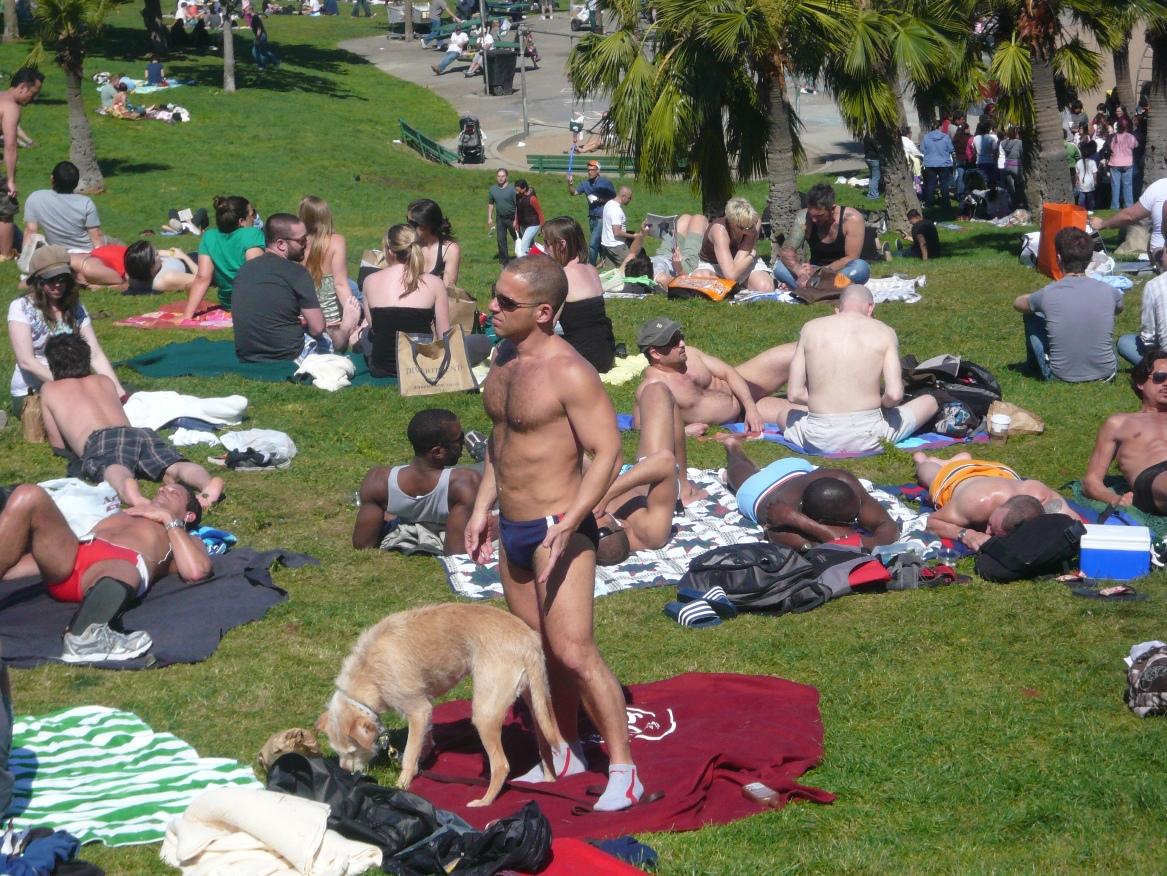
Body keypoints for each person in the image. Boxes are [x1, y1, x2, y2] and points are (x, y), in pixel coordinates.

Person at [464, 254, 641, 812]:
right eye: (493, 295)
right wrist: (482, 509)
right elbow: (501, 442)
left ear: (543, 312)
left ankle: (624, 771)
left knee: (573, 651)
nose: (491, 308)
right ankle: (562, 751)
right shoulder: (503, 357)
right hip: (513, 527)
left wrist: (571, 521)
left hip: (555, 527)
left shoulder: (569, 371)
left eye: (505, 303)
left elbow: (608, 451)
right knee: (537, 651)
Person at [0, 478, 211, 662]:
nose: (163, 490)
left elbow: (195, 571)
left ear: (189, 515)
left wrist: (168, 519)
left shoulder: (185, 538)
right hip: (73, 556)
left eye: (174, 493)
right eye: (163, 488)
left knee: (122, 564)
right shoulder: (125, 513)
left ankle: (85, 637)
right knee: (29, 494)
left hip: (113, 572)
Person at [40, 334, 225, 510]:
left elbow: (58, 444)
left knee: (113, 467)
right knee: (173, 466)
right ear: (87, 359)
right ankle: (207, 483)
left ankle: (127, 489)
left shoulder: (50, 389)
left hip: (100, 439)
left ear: (51, 365)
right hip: (137, 433)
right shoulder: (104, 380)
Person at [783, 285, 939, 454]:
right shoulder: (885, 332)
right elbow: (894, 395)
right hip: (870, 435)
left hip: (819, 437)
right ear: (871, 307)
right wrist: (880, 405)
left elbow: (794, 394)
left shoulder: (810, 328)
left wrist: (824, 404)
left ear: (838, 308)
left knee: (785, 415)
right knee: (929, 402)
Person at [592, 382, 704, 566]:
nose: (593, 515)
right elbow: (665, 461)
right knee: (657, 391)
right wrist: (608, 495)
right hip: (651, 475)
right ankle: (683, 487)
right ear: (620, 525)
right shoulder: (651, 533)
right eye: (597, 518)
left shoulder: (600, 531)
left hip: (613, 479)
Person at [719, 434, 898, 549]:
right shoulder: (782, 520)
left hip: (795, 468)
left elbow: (889, 529)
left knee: (744, 473)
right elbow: (845, 547)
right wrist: (795, 520)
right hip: (760, 491)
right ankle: (732, 449)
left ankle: (733, 449)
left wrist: (802, 522)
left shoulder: (844, 480)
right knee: (740, 478)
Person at [7, 245, 125, 415]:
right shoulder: (21, 307)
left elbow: (95, 354)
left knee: (109, 404)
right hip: (34, 392)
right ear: (38, 282)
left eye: (62, 279)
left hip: (76, 383)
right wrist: (72, 387)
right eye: (50, 280)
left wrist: (120, 394)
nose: (57, 285)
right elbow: (27, 361)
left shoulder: (74, 307)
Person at [635, 315, 798, 435]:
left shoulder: (691, 354)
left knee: (799, 351)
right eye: (673, 342)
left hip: (742, 383)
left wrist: (751, 408)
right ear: (655, 353)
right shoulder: (652, 388)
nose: (682, 343)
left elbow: (728, 372)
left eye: (680, 337)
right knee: (806, 414)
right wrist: (684, 432)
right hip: (739, 416)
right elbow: (641, 428)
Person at [352, 408, 481, 555]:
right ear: (437, 452)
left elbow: (362, 544)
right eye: (459, 438)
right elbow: (456, 553)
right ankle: (482, 449)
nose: (462, 442)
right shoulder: (464, 483)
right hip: (479, 478)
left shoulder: (378, 481)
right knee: (491, 467)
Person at [1013, 227, 1122, 383]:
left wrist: (1035, 300)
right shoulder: (1110, 291)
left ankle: (1032, 366)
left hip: (1060, 375)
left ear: (1058, 258)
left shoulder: (1048, 294)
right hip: (1107, 373)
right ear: (1091, 258)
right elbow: (1118, 309)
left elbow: (1018, 304)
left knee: (1032, 316)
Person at [915, 451, 1081, 550]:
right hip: (957, 476)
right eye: (989, 525)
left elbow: (1079, 528)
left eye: (992, 529)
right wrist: (967, 534)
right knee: (928, 474)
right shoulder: (977, 503)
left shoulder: (1041, 496)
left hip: (1001, 471)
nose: (987, 532)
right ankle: (924, 461)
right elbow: (932, 522)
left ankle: (961, 459)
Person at [231, 212, 328, 363]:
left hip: (247, 353)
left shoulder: (244, 269)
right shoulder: (297, 273)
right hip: (288, 354)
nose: (306, 244)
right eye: (301, 240)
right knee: (328, 340)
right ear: (281, 244)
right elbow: (317, 328)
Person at [1085, 348, 1167, 514]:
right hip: (1152, 478)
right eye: (1160, 377)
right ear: (1141, 383)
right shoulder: (1120, 422)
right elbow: (1091, 481)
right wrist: (1114, 499)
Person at [541, 216, 617, 373]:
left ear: (562, 244)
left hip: (582, 361)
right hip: (605, 354)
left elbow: (547, 326)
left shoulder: (562, 276)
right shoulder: (591, 269)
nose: (544, 249)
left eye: (547, 243)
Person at [774, 184, 879, 289]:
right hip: (813, 272)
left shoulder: (852, 219)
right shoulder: (804, 217)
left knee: (861, 267)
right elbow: (786, 251)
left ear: (832, 209)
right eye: (812, 215)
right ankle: (823, 289)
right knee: (779, 267)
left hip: (840, 271)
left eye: (819, 216)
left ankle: (810, 288)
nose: (814, 220)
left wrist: (820, 271)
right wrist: (800, 271)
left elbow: (851, 258)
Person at [182, 195, 265, 318]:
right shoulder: (252, 234)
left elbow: (202, 278)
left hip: (229, 303)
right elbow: (255, 275)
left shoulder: (209, 236)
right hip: (254, 303)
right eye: (252, 214)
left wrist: (187, 315)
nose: (254, 218)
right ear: (241, 221)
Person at [299, 195, 360, 352]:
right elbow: (340, 284)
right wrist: (352, 315)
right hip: (332, 324)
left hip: (303, 320)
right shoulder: (336, 241)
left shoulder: (295, 243)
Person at [689, 196, 774, 292]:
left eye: (750, 226)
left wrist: (748, 253)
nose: (748, 230)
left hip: (742, 260)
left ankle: (730, 286)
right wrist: (751, 256)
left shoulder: (754, 222)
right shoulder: (720, 230)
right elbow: (730, 274)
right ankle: (735, 286)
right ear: (732, 223)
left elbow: (740, 259)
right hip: (715, 264)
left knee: (766, 287)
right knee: (700, 278)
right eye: (743, 227)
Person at [22, 161, 105, 252]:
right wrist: (101, 256)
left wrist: (25, 257)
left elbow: (31, 231)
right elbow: (96, 235)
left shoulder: (36, 198)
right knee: (113, 242)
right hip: (85, 252)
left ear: (52, 178)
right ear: (76, 183)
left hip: (57, 252)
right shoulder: (86, 203)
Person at [1089, 174, 1167, 263]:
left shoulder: (1160, 186)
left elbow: (1129, 216)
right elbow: (1129, 216)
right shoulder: (1161, 187)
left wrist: (1102, 224)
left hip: (1160, 257)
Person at [1118, 250, 1167, 365]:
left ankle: (1156, 367)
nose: (1160, 258)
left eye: (1163, 253)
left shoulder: (1154, 285)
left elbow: (1148, 338)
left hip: (1164, 358)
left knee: (1125, 342)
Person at [566, 159, 616, 266]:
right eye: (588, 170)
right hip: (592, 218)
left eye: (592, 170)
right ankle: (604, 262)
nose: (589, 172)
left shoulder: (606, 183)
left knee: (593, 244)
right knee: (599, 243)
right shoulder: (585, 184)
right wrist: (570, 183)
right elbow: (573, 193)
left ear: (598, 171)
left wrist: (599, 200)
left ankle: (590, 266)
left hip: (602, 217)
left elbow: (614, 198)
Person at [408, 197, 461, 287]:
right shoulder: (408, 245)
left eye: (412, 223)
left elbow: (448, 290)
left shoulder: (450, 250)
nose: (408, 227)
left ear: (425, 225)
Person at [123, 240, 197, 294]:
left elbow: (158, 252)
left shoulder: (134, 273)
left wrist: (171, 253)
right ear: (151, 267)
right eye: (156, 255)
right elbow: (201, 280)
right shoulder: (168, 278)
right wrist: (184, 256)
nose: (158, 253)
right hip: (197, 264)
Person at [598, 186, 642, 267]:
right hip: (616, 246)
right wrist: (634, 236)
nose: (630, 200)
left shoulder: (609, 203)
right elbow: (617, 232)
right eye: (629, 198)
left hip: (606, 245)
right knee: (632, 267)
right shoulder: (616, 210)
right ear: (623, 196)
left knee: (612, 271)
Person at [920, 119, 955, 208]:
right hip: (944, 163)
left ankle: (929, 202)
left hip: (930, 163)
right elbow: (951, 149)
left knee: (931, 183)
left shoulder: (926, 137)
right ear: (940, 127)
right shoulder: (946, 137)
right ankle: (946, 202)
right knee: (944, 184)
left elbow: (922, 149)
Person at [1107, 117, 1138, 211]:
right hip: (1127, 163)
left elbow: (1110, 148)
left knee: (1115, 186)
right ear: (1127, 126)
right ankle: (1129, 207)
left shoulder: (1114, 137)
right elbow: (1135, 145)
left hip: (1115, 163)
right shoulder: (1130, 137)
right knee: (1128, 186)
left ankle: (1114, 208)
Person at [486, 168, 516, 266]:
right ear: (496, 177)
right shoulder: (493, 189)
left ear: (506, 177)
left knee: (517, 238)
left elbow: (517, 205)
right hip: (500, 218)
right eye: (499, 176)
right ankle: (504, 261)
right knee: (501, 239)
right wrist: (489, 217)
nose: (501, 178)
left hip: (512, 217)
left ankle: (522, 256)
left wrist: (516, 219)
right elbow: (491, 203)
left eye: (503, 176)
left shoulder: (512, 189)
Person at [512, 180, 544, 258]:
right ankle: (537, 259)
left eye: (518, 190)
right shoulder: (518, 196)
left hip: (533, 224)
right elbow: (517, 209)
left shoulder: (532, 199)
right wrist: (516, 222)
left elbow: (540, 213)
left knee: (524, 246)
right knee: (530, 245)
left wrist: (543, 228)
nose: (516, 192)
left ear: (524, 189)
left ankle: (524, 263)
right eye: (516, 190)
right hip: (523, 225)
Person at [999, 126, 1024, 208]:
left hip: (1007, 166)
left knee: (1010, 187)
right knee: (1019, 185)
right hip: (1016, 166)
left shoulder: (1003, 142)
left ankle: (1011, 204)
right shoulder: (1019, 142)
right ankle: (1019, 203)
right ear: (1016, 133)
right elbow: (1021, 154)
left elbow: (1002, 152)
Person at [972, 120, 999, 188]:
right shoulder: (991, 138)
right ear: (987, 129)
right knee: (991, 181)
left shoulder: (975, 138)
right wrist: (995, 161)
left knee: (981, 181)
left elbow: (974, 151)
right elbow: (995, 152)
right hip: (990, 161)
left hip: (979, 162)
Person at [1074, 140, 1099, 210]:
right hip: (1090, 183)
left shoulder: (1078, 162)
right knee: (1090, 199)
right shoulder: (1092, 162)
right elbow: (1094, 173)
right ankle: (1090, 211)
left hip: (1082, 184)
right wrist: (1095, 181)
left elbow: (1077, 174)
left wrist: (1077, 182)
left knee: (1081, 200)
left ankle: (1081, 211)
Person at [862, 134, 881, 200]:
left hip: (867, 158)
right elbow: (877, 148)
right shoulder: (872, 137)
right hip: (874, 159)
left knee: (872, 177)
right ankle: (874, 195)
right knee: (876, 177)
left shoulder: (866, 137)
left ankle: (870, 194)